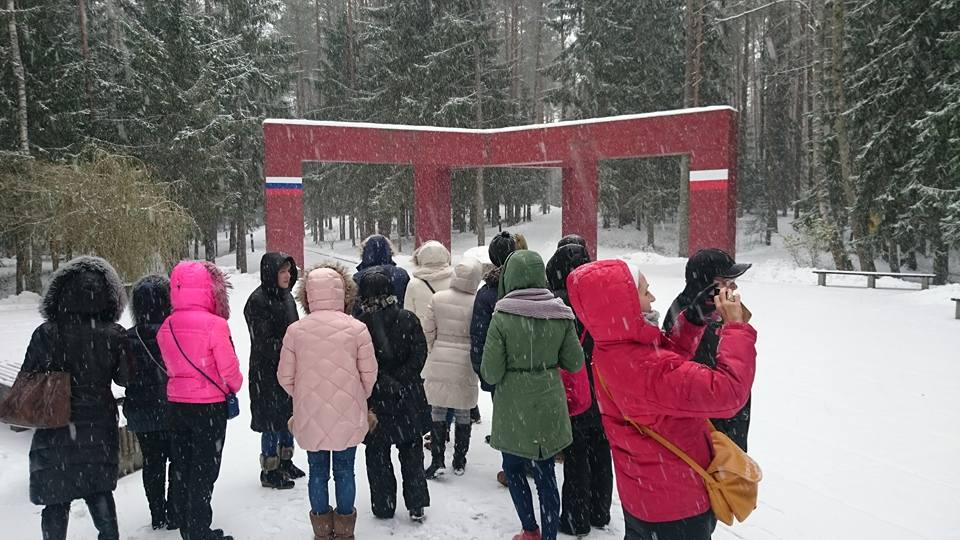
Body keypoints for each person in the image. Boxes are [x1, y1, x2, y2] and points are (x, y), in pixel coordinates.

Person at [567, 259, 757, 540]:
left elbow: (663, 364)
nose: (653, 297)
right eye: (645, 292)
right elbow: (729, 393)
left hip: (644, 497)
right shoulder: (644, 367)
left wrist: (693, 319)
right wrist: (736, 327)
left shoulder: (613, 348)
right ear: (623, 305)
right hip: (676, 508)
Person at [481, 250, 585, 540]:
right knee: (546, 474)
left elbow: (490, 372)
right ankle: (550, 536)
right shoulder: (560, 313)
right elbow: (575, 362)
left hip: (513, 409)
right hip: (549, 402)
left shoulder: (502, 316)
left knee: (513, 468)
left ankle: (530, 529)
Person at [26, 256, 129, 540]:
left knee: (56, 496)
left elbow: (27, 380)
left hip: (55, 422)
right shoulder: (114, 334)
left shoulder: (46, 333)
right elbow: (124, 378)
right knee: (99, 490)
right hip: (98, 424)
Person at [278, 263, 378, 539]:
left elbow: (284, 376)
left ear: (308, 295)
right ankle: (345, 531)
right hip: (348, 410)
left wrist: (303, 394)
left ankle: (321, 530)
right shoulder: (357, 328)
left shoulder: (295, 331)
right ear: (343, 293)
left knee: (317, 472)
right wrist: (358, 395)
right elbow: (369, 373)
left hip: (310, 413)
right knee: (345, 471)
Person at [158, 261, 243, 540]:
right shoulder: (215, 325)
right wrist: (234, 385)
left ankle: (185, 522)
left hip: (176, 404)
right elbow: (228, 368)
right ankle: (198, 529)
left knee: (182, 465)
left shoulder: (167, 325)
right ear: (209, 288)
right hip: (208, 407)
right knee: (205, 469)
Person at [545, 243, 613, 536]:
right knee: (601, 448)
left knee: (576, 453)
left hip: (573, 386)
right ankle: (600, 509)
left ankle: (575, 517)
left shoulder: (556, 303)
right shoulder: (602, 297)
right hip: (603, 385)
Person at [357, 268, 431, 522]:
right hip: (408, 396)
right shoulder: (408, 318)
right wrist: (401, 379)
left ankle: (383, 504)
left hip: (375, 400)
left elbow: (359, 364)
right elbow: (420, 354)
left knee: (377, 454)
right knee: (411, 452)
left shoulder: (360, 326)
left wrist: (381, 381)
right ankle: (416, 503)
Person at [662, 248, 753, 451]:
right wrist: (735, 326)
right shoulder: (694, 320)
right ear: (705, 285)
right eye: (726, 281)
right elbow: (715, 388)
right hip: (714, 434)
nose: (734, 286)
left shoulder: (704, 310)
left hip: (726, 424)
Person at [124, 274, 180, 530]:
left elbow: (122, 377)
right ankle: (175, 511)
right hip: (174, 406)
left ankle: (157, 513)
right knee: (177, 459)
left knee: (152, 462)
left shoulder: (128, 338)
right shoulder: (175, 332)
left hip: (141, 410)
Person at [244, 252, 303, 490]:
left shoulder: (286, 297)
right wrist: (291, 346)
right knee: (270, 420)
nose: (287, 276)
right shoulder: (257, 301)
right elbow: (263, 342)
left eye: (289, 271)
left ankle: (285, 460)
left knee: (288, 416)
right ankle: (270, 468)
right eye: (282, 271)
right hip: (265, 372)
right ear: (271, 274)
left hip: (288, 368)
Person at [421, 258, 482, 479]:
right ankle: (459, 460)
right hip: (465, 362)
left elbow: (428, 330)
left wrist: (434, 349)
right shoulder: (476, 303)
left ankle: (437, 460)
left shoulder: (438, 298)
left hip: (440, 356)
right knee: (463, 412)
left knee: (437, 410)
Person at [470, 231, 519, 486]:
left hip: (499, 366)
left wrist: (481, 368)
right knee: (527, 414)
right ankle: (531, 461)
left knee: (504, 418)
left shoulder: (487, 293)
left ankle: (512, 467)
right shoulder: (529, 287)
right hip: (528, 362)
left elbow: (479, 334)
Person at [353, 234, 409, 315]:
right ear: (389, 250)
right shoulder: (401, 274)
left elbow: (355, 308)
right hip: (398, 319)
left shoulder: (358, 277)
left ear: (364, 252)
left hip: (367, 321)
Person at [403, 240, 453, 322]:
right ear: (446, 256)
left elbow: (408, 315)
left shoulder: (413, 284)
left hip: (422, 329)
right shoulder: (455, 281)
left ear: (421, 257)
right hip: (449, 328)